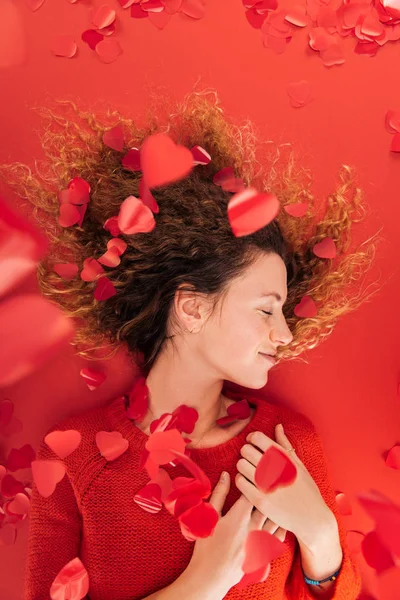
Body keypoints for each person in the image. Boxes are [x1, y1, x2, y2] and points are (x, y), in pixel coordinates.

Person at [1, 87, 381, 600]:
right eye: (266, 308)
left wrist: (318, 530)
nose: (285, 333)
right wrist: (203, 583)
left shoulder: (287, 441)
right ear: (192, 307)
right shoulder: (75, 457)